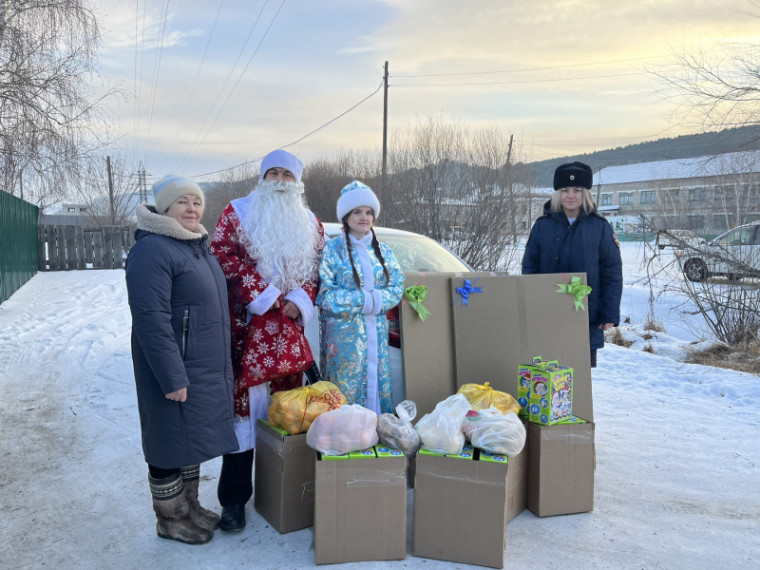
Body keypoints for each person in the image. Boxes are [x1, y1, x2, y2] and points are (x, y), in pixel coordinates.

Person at [210, 149, 324, 532]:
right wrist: (265, 297)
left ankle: (280, 493)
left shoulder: (310, 222)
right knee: (244, 418)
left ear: (297, 182)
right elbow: (222, 255)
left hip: (288, 334)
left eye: (286, 175)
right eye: (272, 173)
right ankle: (234, 502)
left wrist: (298, 301)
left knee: (284, 414)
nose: (279, 180)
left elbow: (316, 270)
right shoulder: (237, 211)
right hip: (246, 329)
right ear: (262, 178)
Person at [125, 175, 238, 545]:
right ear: (164, 208)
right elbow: (151, 319)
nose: (191, 208)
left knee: (191, 438)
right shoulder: (153, 249)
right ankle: (170, 519)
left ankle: (189, 506)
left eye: (196, 202)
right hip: (173, 367)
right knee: (167, 440)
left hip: (200, 365)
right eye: (182, 202)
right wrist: (171, 376)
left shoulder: (195, 246)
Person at [521, 161, 623, 367]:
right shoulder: (542, 227)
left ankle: (579, 401)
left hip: (586, 313)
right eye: (565, 190)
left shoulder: (600, 227)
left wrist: (609, 313)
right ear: (558, 193)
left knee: (579, 371)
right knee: (546, 369)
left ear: (585, 193)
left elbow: (611, 272)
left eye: (577, 190)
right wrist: (531, 303)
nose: (570, 195)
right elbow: (529, 268)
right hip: (548, 311)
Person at [316, 181, 405, 413]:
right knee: (344, 396)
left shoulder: (384, 251)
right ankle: (345, 439)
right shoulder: (332, 250)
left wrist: (379, 300)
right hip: (344, 341)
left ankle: (375, 434)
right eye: (357, 212)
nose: (363, 217)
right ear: (346, 216)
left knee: (377, 388)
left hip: (377, 335)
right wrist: (364, 301)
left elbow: (396, 286)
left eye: (368, 212)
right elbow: (326, 295)